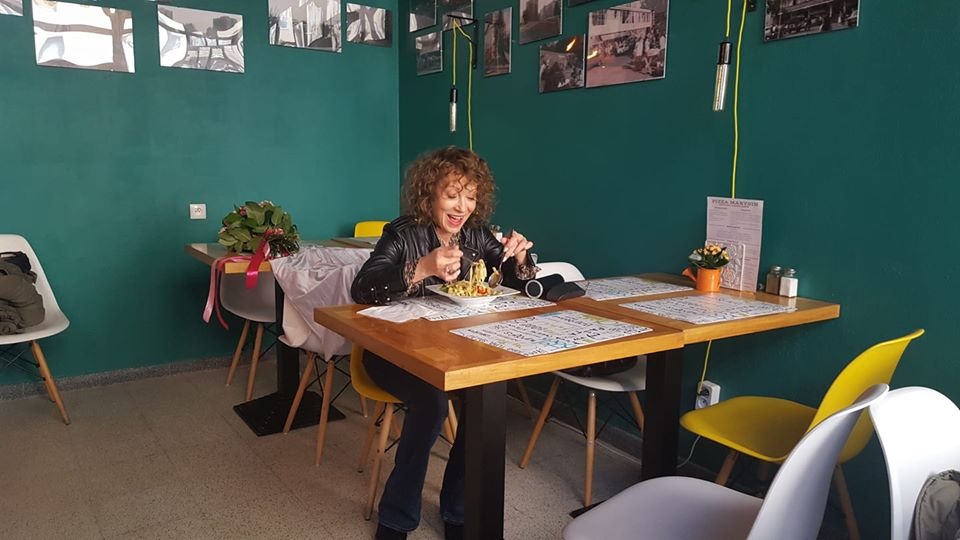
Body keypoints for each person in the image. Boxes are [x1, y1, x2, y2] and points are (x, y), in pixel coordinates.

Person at [351, 147, 538, 540]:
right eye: (452, 195)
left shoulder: (475, 235)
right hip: (389, 353)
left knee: (484, 396)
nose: (461, 207)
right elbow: (363, 289)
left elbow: (513, 280)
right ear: (429, 193)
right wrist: (422, 267)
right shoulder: (402, 232)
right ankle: (396, 517)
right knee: (432, 402)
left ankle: (458, 510)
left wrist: (521, 258)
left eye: (469, 197)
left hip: (450, 352)